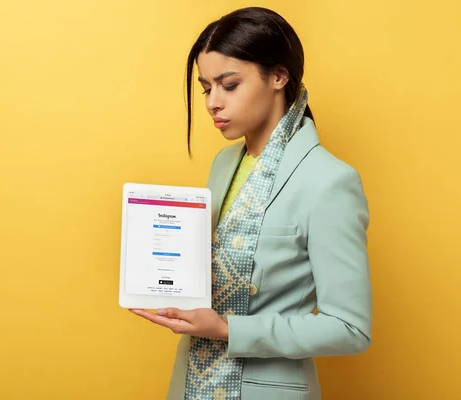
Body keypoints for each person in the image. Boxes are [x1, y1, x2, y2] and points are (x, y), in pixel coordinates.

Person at [130, 7, 372, 400]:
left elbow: (349, 329)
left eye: (229, 84)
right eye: (206, 88)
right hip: (192, 382)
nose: (212, 103)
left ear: (279, 76)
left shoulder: (330, 181)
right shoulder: (224, 164)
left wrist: (227, 329)